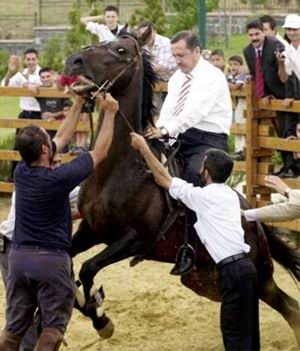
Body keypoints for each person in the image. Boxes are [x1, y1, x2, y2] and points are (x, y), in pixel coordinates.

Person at [0, 92, 118, 351]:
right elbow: (99, 153)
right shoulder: (59, 179)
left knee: (13, 329)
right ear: (44, 150)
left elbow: (61, 138)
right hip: (50, 262)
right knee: (53, 327)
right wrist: (109, 113)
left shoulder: (22, 171)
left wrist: (77, 104)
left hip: (18, 259)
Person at [130, 133, 260, 351]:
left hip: (232, 272)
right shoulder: (229, 194)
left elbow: (164, 178)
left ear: (207, 173)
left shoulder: (203, 198)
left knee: (234, 336)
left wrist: (143, 147)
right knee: (249, 334)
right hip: (247, 268)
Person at [144, 31, 232, 275]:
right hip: (179, 137)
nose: (177, 61)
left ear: (197, 51)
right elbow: (171, 111)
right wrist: (158, 131)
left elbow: (194, 112)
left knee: (194, 176)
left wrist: (165, 130)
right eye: (174, 56)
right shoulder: (176, 79)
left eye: (181, 55)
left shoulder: (212, 77)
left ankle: (190, 247)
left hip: (209, 140)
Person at [0, 155, 80, 351]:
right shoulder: (46, 183)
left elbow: (87, 198)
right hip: (17, 247)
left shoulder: (29, 177)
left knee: (24, 315)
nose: (61, 165)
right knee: (26, 318)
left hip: (15, 250)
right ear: (46, 164)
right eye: (57, 162)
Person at [243, 19, 294, 178]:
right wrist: (263, 94)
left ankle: (294, 167)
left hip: (286, 92)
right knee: (281, 131)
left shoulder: (276, 45)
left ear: (263, 32)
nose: (254, 38)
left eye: (257, 34)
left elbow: (289, 71)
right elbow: (256, 73)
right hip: (270, 96)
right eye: (251, 35)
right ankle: (287, 166)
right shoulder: (248, 51)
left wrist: (290, 95)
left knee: (289, 130)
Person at [138, 21, 178, 111]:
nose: (147, 36)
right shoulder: (143, 46)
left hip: (172, 83)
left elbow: (161, 67)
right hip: (156, 84)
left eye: (149, 33)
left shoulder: (165, 43)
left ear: (155, 31)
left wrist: (140, 69)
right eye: (143, 34)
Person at [226, 55, 248, 161]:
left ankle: (243, 149)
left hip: (244, 102)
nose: (233, 67)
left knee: (242, 125)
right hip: (236, 103)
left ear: (242, 66)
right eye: (230, 64)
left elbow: (236, 87)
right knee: (236, 125)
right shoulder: (229, 76)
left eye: (236, 64)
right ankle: (237, 149)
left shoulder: (242, 76)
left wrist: (224, 84)